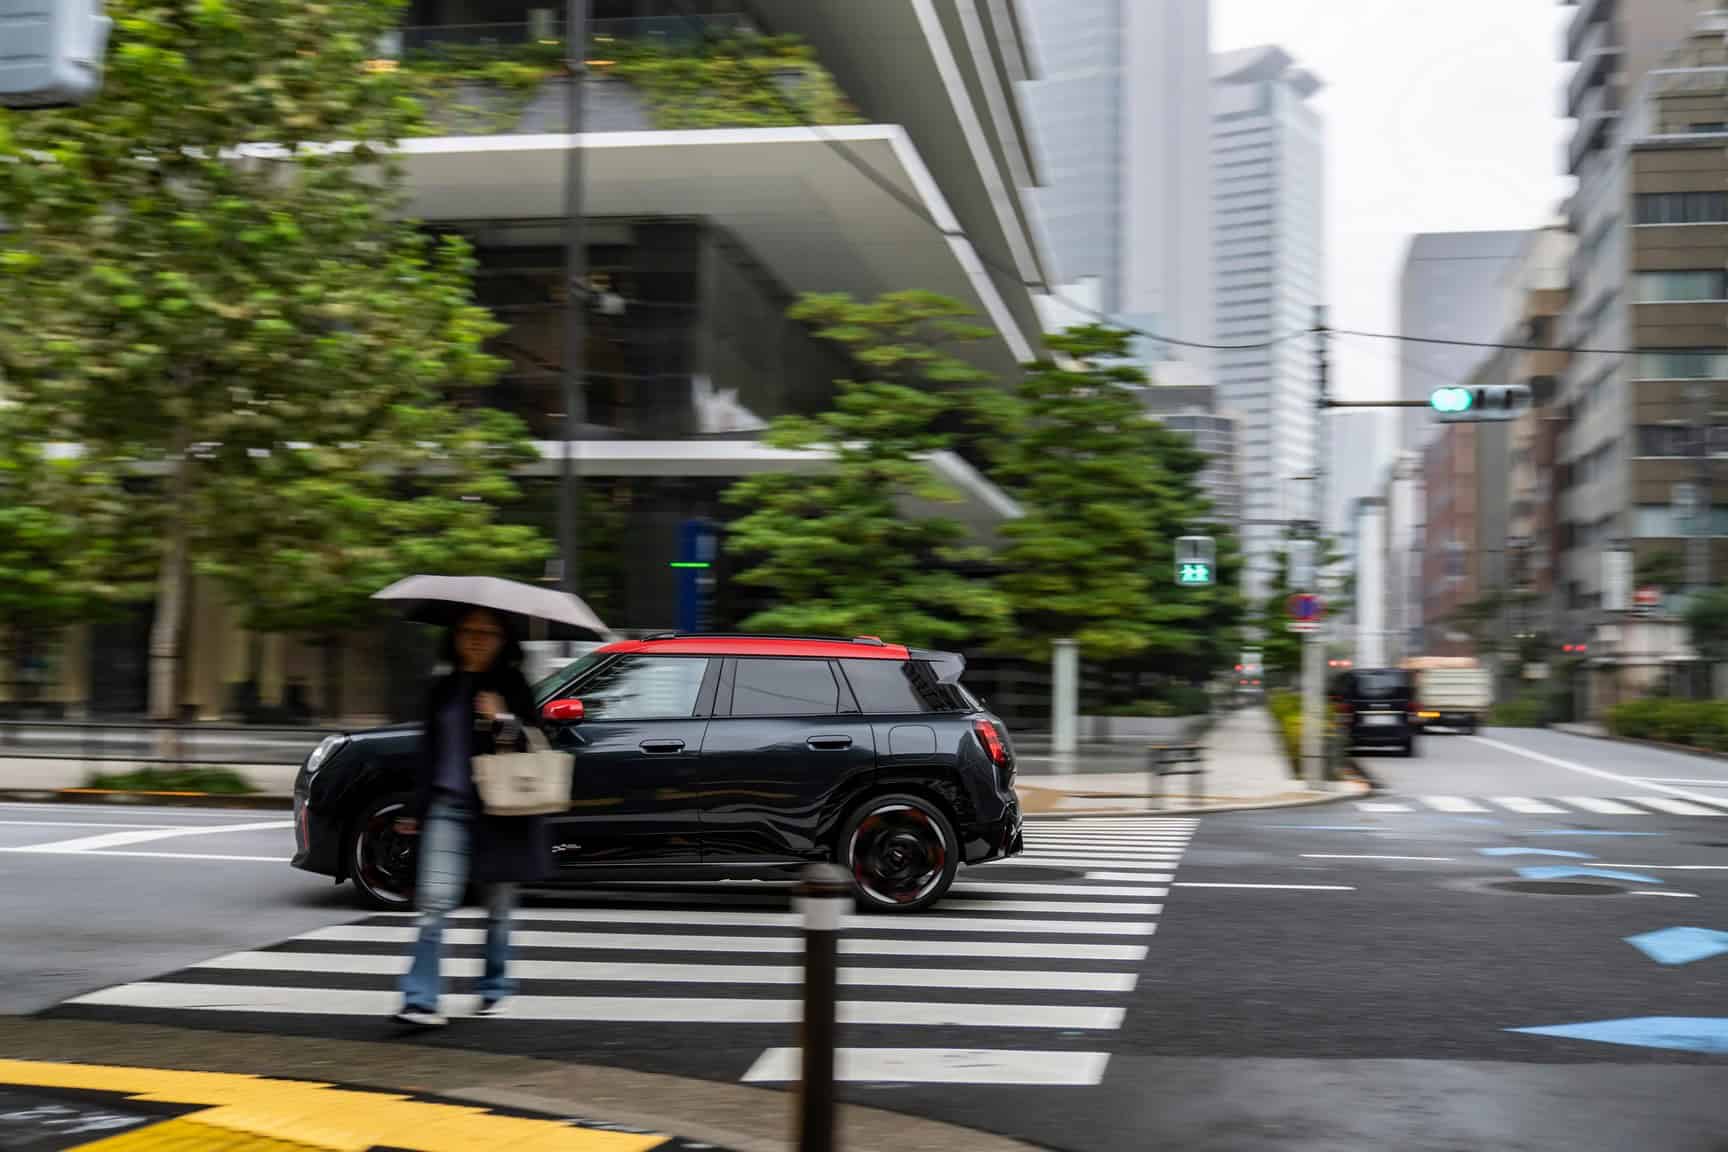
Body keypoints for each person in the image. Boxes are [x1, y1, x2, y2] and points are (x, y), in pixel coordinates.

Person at [394, 607, 546, 1027]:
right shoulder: (443, 688)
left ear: (503, 640)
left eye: (487, 632)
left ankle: (495, 987)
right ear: (455, 636)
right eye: (468, 630)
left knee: (498, 908)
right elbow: (428, 753)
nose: (477, 638)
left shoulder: (512, 685)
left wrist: (501, 719)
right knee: (433, 905)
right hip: (447, 809)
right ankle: (420, 1000)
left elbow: (533, 747)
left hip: (500, 811)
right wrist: (415, 808)